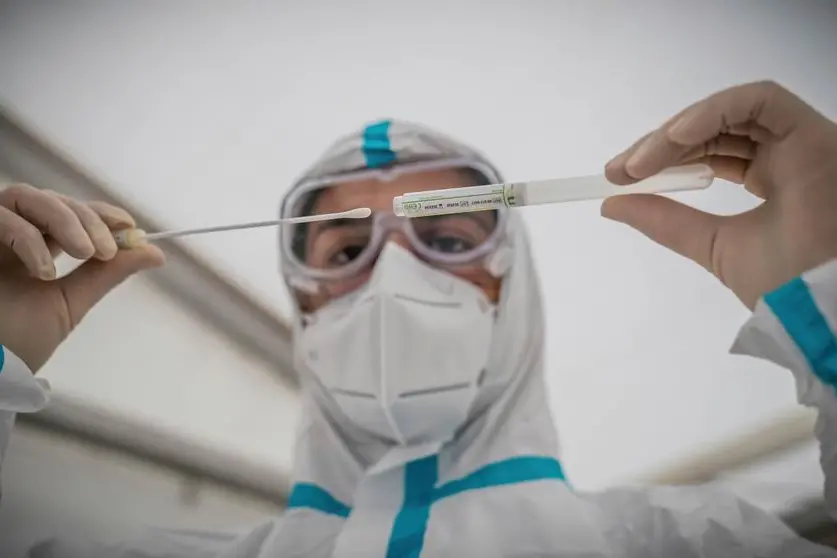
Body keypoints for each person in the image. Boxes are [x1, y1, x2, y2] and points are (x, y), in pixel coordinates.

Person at [0, 80, 836, 557]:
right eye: (341, 252)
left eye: (442, 236)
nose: (394, 276)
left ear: (514, 291)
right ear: (303, 308)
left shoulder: (689, 548)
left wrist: (828, 298)